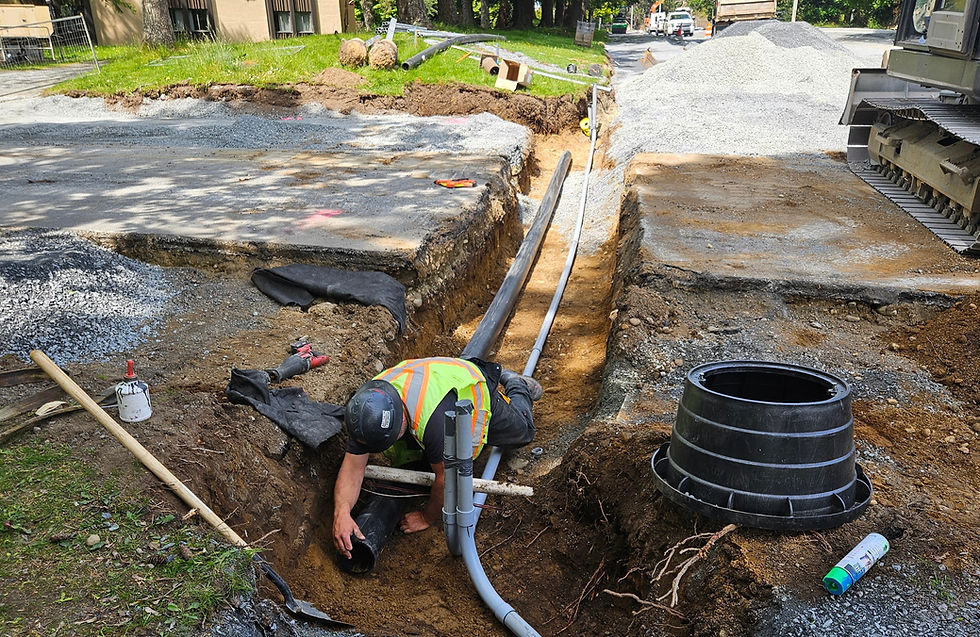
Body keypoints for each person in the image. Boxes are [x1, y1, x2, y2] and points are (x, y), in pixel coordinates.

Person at [332, 356, 541, 559]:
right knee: (421, 457)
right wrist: (342, 511)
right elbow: (353, 466)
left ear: (400, 422)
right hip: (437, 378)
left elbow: (447, 480)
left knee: (524, 431)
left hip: (472, 385)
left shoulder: (435, 424)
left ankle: (517, 383)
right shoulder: (364, 411)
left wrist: (426, 517)